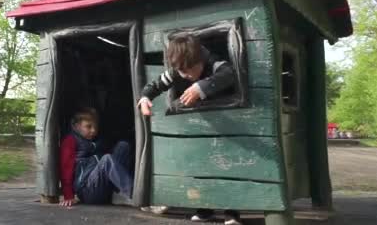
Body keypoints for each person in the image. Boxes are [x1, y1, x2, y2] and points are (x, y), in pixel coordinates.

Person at [138, 35, 241, 225]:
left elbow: (229, 74)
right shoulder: (179, 71)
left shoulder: (214, 62)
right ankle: (205, 209)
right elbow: (155, 85)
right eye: (182, 73)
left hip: (226, 125)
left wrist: (200, 87)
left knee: (226, 166)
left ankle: (231, 212)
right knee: (200, 166)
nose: (186, 75)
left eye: (190, 71)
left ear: (200, 60)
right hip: (198, 126)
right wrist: (145, 98)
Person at [59, 107, 133, 207]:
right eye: (88, 126)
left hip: (102, 185)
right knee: (107, 159)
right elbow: (65, 169)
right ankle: (134, 195)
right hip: (87, 190)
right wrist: (68, 195)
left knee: (123, 146)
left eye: (95, 127)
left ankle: (118, 193)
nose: (93, 130)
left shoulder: (98, 139)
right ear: (76, 126)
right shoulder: (70, 140)